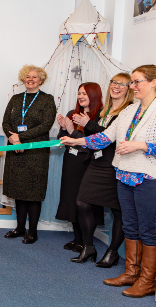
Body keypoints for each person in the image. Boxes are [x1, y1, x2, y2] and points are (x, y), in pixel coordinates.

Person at [61, 65, 156, 298]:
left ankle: (147, 280)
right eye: (132, 82)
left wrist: (141, 146)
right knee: (130, 227)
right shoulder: (129, 111)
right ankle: (130, 272)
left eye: (137, 82)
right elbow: (105, 137)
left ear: (154, 83)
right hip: (123, 174)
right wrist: (77, 141)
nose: (132, 87)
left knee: (148, 230)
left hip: (149, 179)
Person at [73, 74, 134, 268]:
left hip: (114, 164)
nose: (116, 87)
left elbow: (111, 138)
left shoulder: (128, 111)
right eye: (114, 83)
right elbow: (95, 135)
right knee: (82, 203)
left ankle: (112, 252)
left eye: (122, 84)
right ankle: (88, 246)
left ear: (129, 88)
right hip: (96, 162)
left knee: (118, 211)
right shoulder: (103, 110)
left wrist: (88, 125)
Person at [2, 65, 55, 244]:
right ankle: (19, 228)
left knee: (33, 193)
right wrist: (14, 140)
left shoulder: (47, 100)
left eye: (34, 77)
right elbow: (6, 121)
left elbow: (45, 125)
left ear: (41, 80)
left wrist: (21, 137)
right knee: (18, 191)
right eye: (27, 76)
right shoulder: (16, 99)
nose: (30, 79)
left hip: (36, 153)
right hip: (16, 150)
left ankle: (32, 231)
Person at [55, 83, 103, 258]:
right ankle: (77, 238)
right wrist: (63, 128)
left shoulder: (100, 115)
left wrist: (71, 132)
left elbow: (94, 141)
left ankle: (85, 241)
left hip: (88, 163)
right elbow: (62, 139)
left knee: (84, 202)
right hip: (71, 162)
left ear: (94, 95)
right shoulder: (72, 113)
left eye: (84, 93)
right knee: (71, 199)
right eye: (79, 93)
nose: (81, 96)